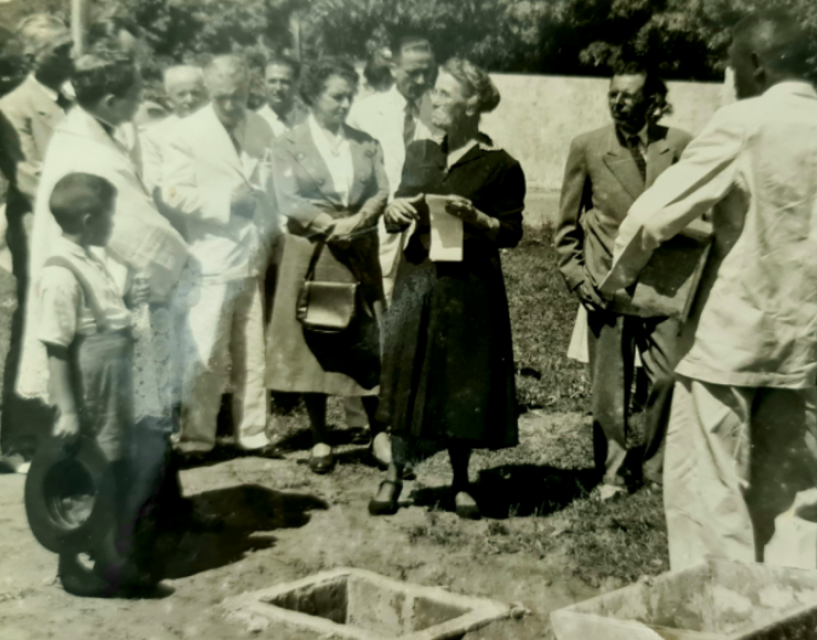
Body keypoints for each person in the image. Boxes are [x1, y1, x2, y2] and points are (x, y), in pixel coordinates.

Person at [603, 9, 817, 571]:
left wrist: (621, 284)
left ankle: (718, 618)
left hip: (731, 343)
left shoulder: (745, 121)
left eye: (731, 69)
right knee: (795, 497)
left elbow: (652, 216)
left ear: (756, 65)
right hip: (808, 351)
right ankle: (790, 614)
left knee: (709, 495)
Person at [369, 58, 526, 519]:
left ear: (472, 104)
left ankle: (461, 481)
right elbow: (398, 206)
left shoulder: (500, 166)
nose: (433, 99)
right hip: (418, 280)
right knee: (404, 372)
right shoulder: (420, 152)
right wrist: (393, 213)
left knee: (462, 379)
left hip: (469, 287)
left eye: (444, 93)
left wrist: (477, 218)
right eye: (433, 91)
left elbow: (513, 232)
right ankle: (394, 475)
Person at [554, 60, 693, 498]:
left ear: (653, 102)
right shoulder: (588, 146)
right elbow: (565, 224)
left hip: (664, 286)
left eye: (628, 95)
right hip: (606, 284)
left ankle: (655, 469)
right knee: (610, 387)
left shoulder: (683, 145)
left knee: (668, 376)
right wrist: (577, 276)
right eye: (613, 93)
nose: (617, 102)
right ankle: (611, 473)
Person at [39, 172, 166, 595]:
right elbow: (57, 346)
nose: (114, 224)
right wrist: (69, 410)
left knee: (110, 468)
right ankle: (72, 564)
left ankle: (108, 555)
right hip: (89, 383)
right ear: (90, 219)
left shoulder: (89, 258)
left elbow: (108, 318)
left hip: (113, 378)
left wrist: (133, 302)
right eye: (110, 216)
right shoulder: (60, 272)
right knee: (84, 473)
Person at [266, 57, 388, 474]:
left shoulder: (366, 142)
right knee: (314, 339)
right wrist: (327, 224)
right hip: (313, 252)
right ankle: (320, 438)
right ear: (314, 96)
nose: (345, 103)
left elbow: (380, 189)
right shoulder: (287, 143)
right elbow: (287, 198)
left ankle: (379, 434)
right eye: (337, 95)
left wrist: (359, 220)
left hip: (356, 250)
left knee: (366, 341)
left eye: (349, 95)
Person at [163, 55, 277, 456]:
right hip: (210, 256)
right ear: (210, 92)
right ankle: (196, 437)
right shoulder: (187, 133)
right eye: (223, 97)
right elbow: (172, 193)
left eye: (238, 95)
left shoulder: (261, 125)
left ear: (249, 88)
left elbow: (271, 184)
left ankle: (253, 432)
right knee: (207, 349)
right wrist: (225, 202)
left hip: (252, 252)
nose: (231, 105)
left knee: (252, 350)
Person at [0, 14, 74, 471]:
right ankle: (20, 438)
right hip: (40, 233)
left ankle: (64, 428)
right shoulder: (12, 107)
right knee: (34, 330)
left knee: (70, 327)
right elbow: (32, 182)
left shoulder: (72, 100)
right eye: (59, 50)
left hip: (79, 228)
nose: (70, 56)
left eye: (69, 46)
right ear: (32, 57)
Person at [348, 34, 438, 303]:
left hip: (428, 234)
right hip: (379, 231)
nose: (421, 81)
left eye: (427, 72)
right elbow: (351, 178)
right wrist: (385, 205)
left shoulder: (442, 112)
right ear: (394, 68)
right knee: (380, 310)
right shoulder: (363, 113)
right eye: (413, 73)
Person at [141, 65, 208, 197]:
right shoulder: (153, 137)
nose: (190, 100)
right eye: (181, 94)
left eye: (195, 93)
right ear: (169, 101)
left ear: (206, 95)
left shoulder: (221, 129)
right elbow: (157, 187)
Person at [257, 54, 308, 139]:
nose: (278, 88)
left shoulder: (309, 123)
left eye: (285, 82)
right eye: (272, 81)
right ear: (263, 83)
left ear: (297, 84)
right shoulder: (253, 125)